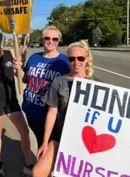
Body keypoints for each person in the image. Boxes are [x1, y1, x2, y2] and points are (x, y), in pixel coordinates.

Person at [32, 40, 94, 177]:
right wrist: (45, 142)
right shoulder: (59, 82)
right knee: (37, 172)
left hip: (85, 142)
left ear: (87, 59)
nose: (76, 62)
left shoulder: (95, 86)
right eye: (72, 58)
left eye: (80, 58)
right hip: (60, 137)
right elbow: (52, 112)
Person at [0, 31, 33, 176]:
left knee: (24, 131)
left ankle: (28, 163)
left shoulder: (10, 54)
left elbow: (19, 75)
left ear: (1, 41)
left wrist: (19, 67)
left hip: (11, 99)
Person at [22, 26, 71, 149]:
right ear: (42, 39)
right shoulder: (34, 58)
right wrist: (17, 69)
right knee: (40, 142)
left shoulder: (64, 62)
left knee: (49, 147)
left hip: (50, 114)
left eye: (55, 39)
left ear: (59, 41)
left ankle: (43, 167)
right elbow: (25, 79)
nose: (51, 41)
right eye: (47, 38)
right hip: (30, 110)